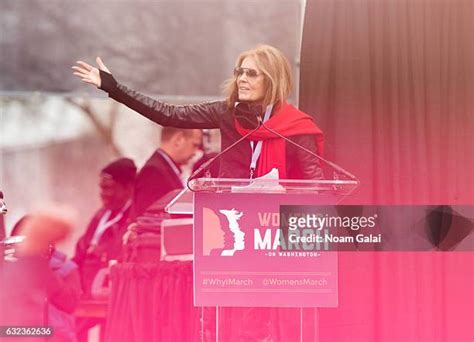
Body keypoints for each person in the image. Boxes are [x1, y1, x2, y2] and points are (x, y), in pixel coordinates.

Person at [72, 44, 324, 180]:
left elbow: (317, 185)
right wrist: (114, 88)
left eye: (251, 73)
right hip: (233, 216)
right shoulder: (228, 112)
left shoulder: (297, 127)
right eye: (240, 72)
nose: (242, 80)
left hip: (275, 229)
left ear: (272, 79)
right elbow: (167, 114)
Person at [73, 158, 136, 296]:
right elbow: (81, 252)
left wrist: (103, 253)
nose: (103, 194)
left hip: (113, 296)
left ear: (128, 188)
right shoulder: (100, 216)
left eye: (108, 188)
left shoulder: (135, 220)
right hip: (87, 295)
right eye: (101, 188)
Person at [130, 126, 202, 220]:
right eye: (194, 145)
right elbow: (147, 220)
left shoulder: (164, 168)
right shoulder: (153, 172)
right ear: (178, 139)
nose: (195, 152)